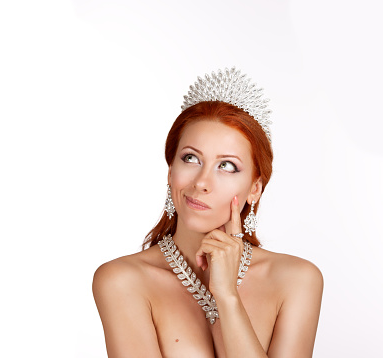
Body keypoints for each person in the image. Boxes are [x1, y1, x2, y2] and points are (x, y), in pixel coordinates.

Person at [92, 68, 324, 357]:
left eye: (226, 166)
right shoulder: (121, 281)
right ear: (171, 170)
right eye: (191, 158)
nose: (201, 182)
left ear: (255, 188)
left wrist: (227, 297)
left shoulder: (297, 280)